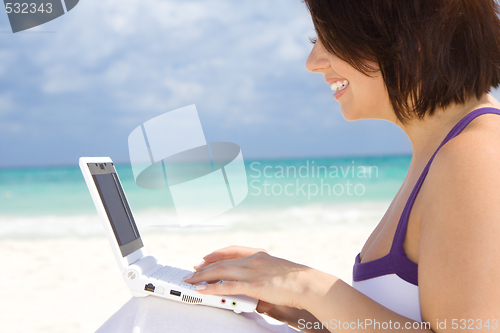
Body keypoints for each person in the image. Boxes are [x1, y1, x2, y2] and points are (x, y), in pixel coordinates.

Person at [97, 1, 500, 332]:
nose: (313, 61)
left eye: (330, 39)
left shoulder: (477, 154)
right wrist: (300, 308)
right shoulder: (445, 152)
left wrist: (308, 285)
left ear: (408, 40)